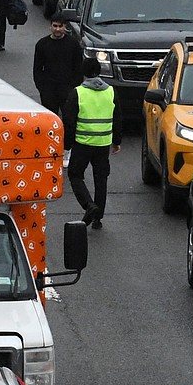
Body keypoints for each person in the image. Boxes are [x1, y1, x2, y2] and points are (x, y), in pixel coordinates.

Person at [62, 56, 121, 230]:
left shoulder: (78, 93)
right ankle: (98, 218)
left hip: (82, 143)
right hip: (103, 144)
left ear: (83, 73)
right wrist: (116, 141)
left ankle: (89, 205)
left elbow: (69, 121)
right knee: (101, 179)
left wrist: (67, 145)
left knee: (75, 174)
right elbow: (117, 118)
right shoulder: (111, 91)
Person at [33, 15, 83, 114]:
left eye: (60, 26)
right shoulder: (42, 44)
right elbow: (37, 69)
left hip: (67, 89)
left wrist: (73, 88)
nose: (58, 29)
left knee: (69, 119)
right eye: (55, 26)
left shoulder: (73, 44)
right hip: (49, 90)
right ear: (50, 26)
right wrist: (42, 89)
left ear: (65, 27)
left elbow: (78, 68)